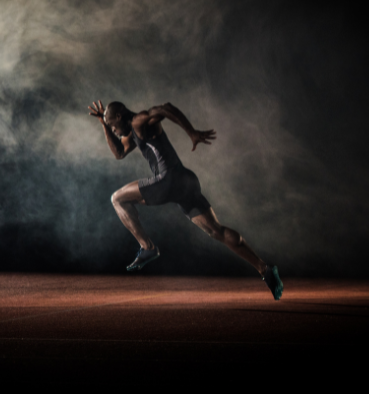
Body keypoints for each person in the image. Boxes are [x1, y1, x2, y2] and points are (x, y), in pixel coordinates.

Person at [88, 100, 283, 300]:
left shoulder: (139, 120)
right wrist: (103, 124)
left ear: (119, 117)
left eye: (112, 125)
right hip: (186, 181)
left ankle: (148, 247)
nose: (114, 130)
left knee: (117, 199)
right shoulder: (132, 131)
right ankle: (265, 269)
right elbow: (119, 153)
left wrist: (191, 132)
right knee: (217, 231)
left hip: (168, 180)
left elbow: (165, 108)